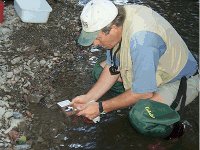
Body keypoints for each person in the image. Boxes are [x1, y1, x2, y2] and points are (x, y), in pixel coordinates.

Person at [72, 0, 198, 133]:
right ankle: (132, 98)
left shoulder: (142, 41)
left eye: (97, 38)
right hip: (154, 70)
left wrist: (101, 107)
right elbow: (112, 68)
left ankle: (175, 130)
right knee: (99, 71)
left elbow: (144, 92)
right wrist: (88, 98)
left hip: (178, 80)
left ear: (113, 28)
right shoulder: (117, 17)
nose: (95, 44)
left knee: (140, 116)